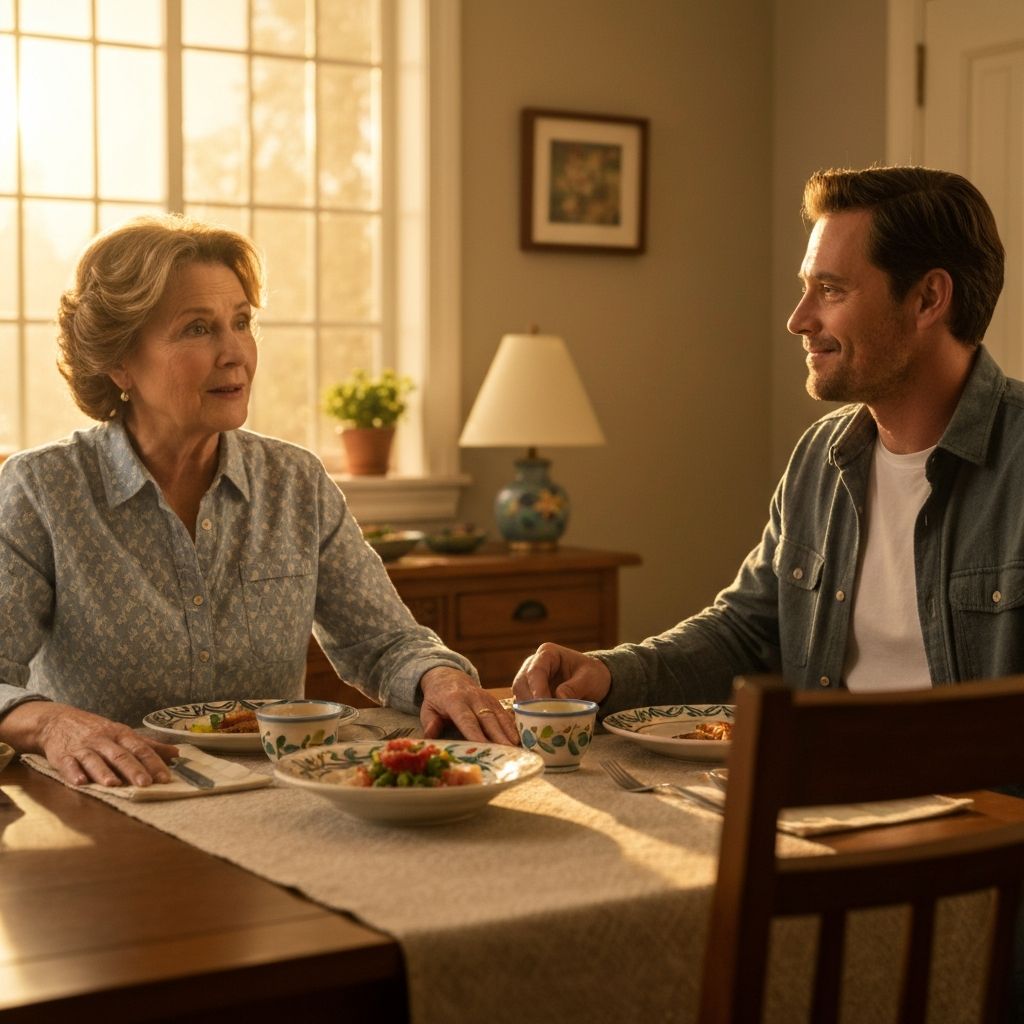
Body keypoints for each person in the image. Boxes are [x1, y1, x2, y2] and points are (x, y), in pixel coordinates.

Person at [0, 214, 516, 789]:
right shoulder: (42, 490)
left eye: (241, 322)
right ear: (120, 360)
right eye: (198, 328)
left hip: (276, 798)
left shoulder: (296, 482)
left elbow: (384, 642)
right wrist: (52, 724)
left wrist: (442, 679)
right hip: (120, 802)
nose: (234, 353)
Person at [513, 165, 1018, 712]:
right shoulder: (821, 459)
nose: (798, 319)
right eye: (806, 289)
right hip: (823, 788)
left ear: (927, 299)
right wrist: (608, 673)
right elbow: (744, 634)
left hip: (981, 799)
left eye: (830, 289)